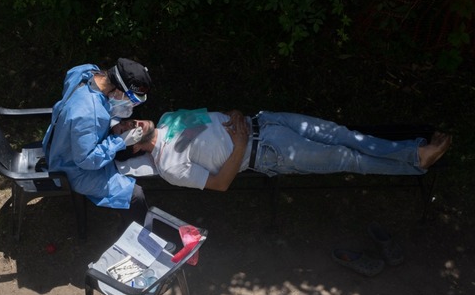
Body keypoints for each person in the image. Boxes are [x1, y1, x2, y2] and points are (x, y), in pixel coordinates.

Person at [112, 108, 452, 191]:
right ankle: (416, 156)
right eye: (126, 131)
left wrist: (233, 114)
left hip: (269, 120)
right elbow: (220, 184)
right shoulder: (169, 166)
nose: (132, 123)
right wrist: (241, 144)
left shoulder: (170, 117)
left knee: (344, 134)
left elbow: (216, 115)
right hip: (267, 152)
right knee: (348, 159)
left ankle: (416, 155)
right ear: (138, 150)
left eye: (127, 121)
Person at [42, 58, 152, 225]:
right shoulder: (90, 114)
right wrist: (119, 141)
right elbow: (87, 161)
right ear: (117, 89)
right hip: (71, 168)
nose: (131, 106)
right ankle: (138, 242)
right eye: (131, 100)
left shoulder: (85, 72)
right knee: (135, 195)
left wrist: (112, 125)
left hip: (57, 143)